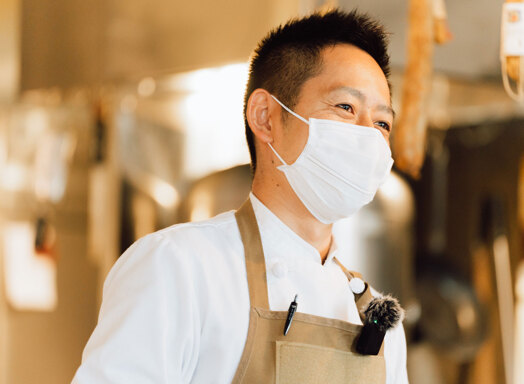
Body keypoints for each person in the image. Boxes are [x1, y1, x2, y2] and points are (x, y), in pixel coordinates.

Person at [73, 9, 408, 384]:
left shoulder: (377, 319)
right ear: (265, 117)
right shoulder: (179, 268)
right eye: (346, 107)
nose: (368, 138)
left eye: (382, 123)